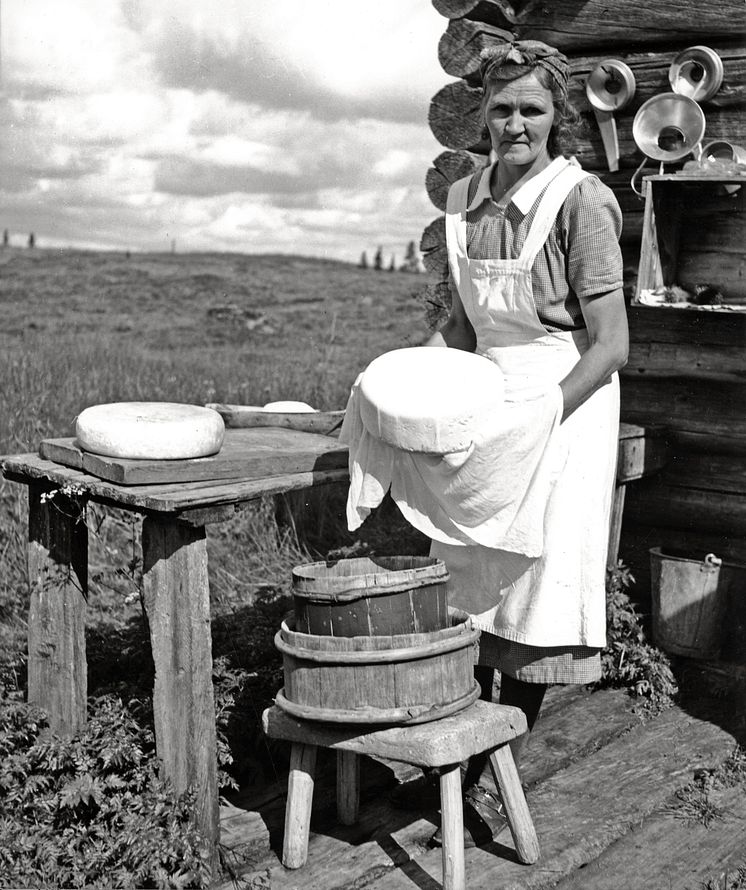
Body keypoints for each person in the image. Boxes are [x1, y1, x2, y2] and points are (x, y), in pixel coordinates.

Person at [392, 40, 629, 846]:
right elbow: (458, 329)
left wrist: (542, 414)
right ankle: (462, 749)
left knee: (534, 579)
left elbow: (611, 344)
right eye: (501, 110)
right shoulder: (461, 203)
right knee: (474, 566)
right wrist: (405, 392)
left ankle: (496, 769)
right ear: (480, 116)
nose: (514, 124)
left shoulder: (580, 200)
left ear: (557, 117)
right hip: (491, 393)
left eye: (531, 108)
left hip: (568, 396)